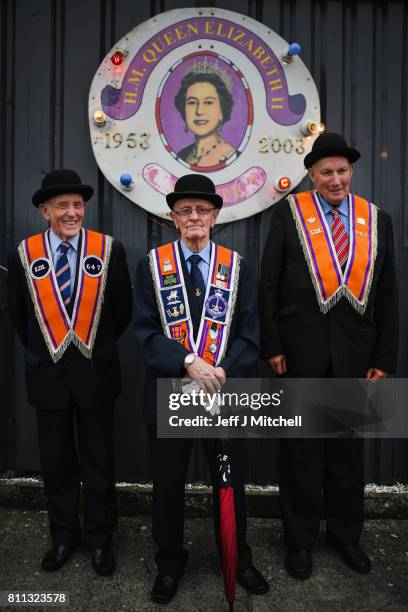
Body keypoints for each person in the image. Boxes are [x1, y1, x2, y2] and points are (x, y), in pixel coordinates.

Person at [259, 132, 398, 579]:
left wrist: (384, 353)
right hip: (300, 351)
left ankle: (344, 536)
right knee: (300, 450)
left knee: (344, 454)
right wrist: (273, 345)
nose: (335, 179)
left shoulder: (376, 220)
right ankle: (298, 541)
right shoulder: (290, 213)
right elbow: (269, 282)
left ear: (351, 172)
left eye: (341, 171)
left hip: (355, 352)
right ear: (312, 176)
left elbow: (389, 293)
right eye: (325, 173)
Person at [133, 174, 269, 604]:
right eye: (185, 210)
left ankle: (238, 558)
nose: (195, 217)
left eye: (202, 210)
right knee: (168, 484)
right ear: (173, 219)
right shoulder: (152, 266)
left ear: (215, 217)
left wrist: (225, 370)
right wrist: (188, 362)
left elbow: (250, 334)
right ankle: (169, 562)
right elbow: (144, 332)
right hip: (172, 392)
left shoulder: (238, 266)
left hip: (222, 394)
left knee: (230, 482)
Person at [7, 169, 132, 576]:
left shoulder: (109, 250)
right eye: (62, 205)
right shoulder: (24, 255)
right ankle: (63, 536)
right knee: (56, 463)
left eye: (78, 205)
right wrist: (46, 351)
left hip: (96, 374)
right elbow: (19, 317)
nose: (72, 212)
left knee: (99, 461)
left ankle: (100, 539)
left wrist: (91, 343)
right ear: (45, 211)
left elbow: (122, 312)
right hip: (49, 376)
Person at [174, 61, 236, 167]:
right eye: (192, 102)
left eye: (208, 102)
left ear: (222, 110)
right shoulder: (181, 156)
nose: (199, 111)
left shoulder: (234, 158)